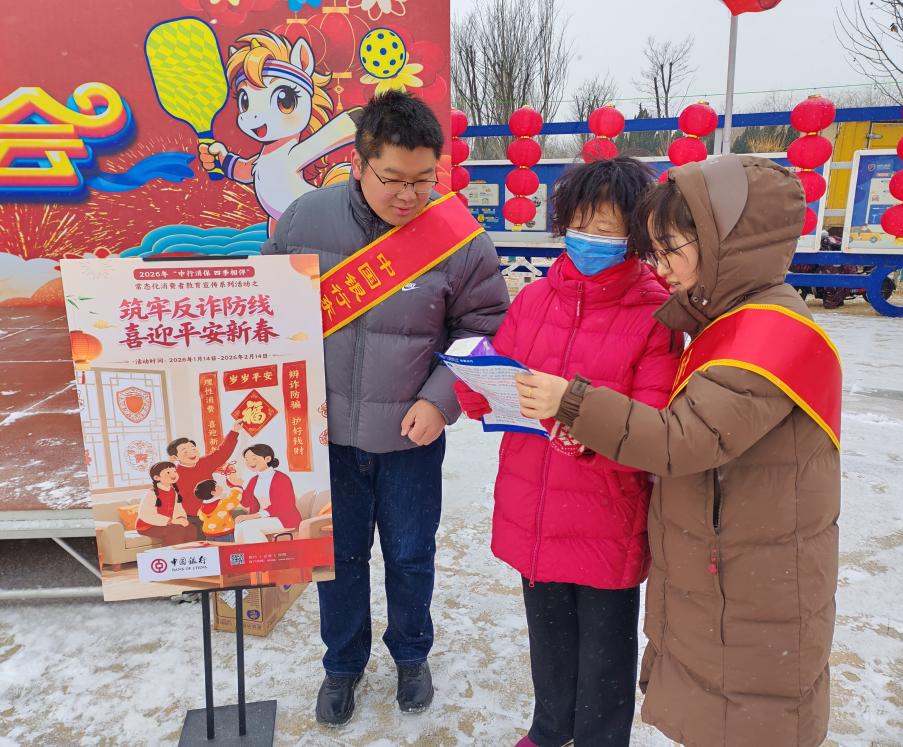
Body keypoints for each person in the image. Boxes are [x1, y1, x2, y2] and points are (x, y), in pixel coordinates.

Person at [517, 155, 841, 747]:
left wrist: (572, 403)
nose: (660, 264)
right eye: (657, 250)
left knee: (747, 707)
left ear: (726, 242)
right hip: (725, 552)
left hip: (753, 566)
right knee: (715, 697)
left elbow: (679, 438)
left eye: (668, 248)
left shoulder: (768, 331)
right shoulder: (725, 316)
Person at [262, 90, 509, 725]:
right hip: (327, 438)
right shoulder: (301, 222)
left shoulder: (460, 241)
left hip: (410, 439)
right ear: (358, 164)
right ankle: (342, 667)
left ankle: (410, 655)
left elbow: (484, 331)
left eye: (425, 179)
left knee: (408, 553)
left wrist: (440, 400)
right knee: (337, 560)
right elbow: (269, 317)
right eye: (393, 179)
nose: (410, 195)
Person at [454, 156, 681, 747]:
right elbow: (501, 378)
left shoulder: (656, 316)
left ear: (635, 232)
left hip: (605, 514)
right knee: (548, 638)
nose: (591, 238)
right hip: (534, 507)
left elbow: (651, 431)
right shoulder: (533, 301)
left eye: (608, 227)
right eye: (582, 222)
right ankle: (548, 729)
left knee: (605, 656)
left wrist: (572, 420)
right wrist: (477, 386)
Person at [168, 420, 244, 538]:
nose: (191, 452)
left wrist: (234, 431)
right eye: (185, 450)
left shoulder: (204, 463)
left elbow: (222, 453)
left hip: (214, 512)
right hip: (190, 519)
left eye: (193, 448)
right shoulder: (172, 474)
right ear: (175, 457)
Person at [234, 444, 301, 543]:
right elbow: (246, 502)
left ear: (267, 458)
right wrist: (239, 486)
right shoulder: (254, 480)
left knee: (248, 526)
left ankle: (261, 552)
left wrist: (251, 517)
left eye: (254, 458)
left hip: (283, 519)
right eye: (247, 459)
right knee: (239, 525)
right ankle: (244, 553)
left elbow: (283, 506)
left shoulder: (281, 478)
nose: (249, 462)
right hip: (264, 518)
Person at [136, 461, 197, 546]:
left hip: (167, 523)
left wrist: (181, 518)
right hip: (147, 526)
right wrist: (171, 521)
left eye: (174, 471)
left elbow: (178, 508)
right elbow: (146, 514)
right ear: (157, 477)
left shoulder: (173, 491)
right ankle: (170, 555)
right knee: (176, 529)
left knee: (191, 528)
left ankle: (187, 553)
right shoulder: (151, 493)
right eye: (168, 472)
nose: (173, 474)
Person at [195, 478, 242, 543]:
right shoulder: (221, 504)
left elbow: (201, 517)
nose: (220, 486)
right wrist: (237, 487)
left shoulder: (203, 506)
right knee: (227, 549)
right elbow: (234, 499)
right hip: (224, 533)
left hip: (209, 534)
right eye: (217, 486)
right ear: (213, 493)